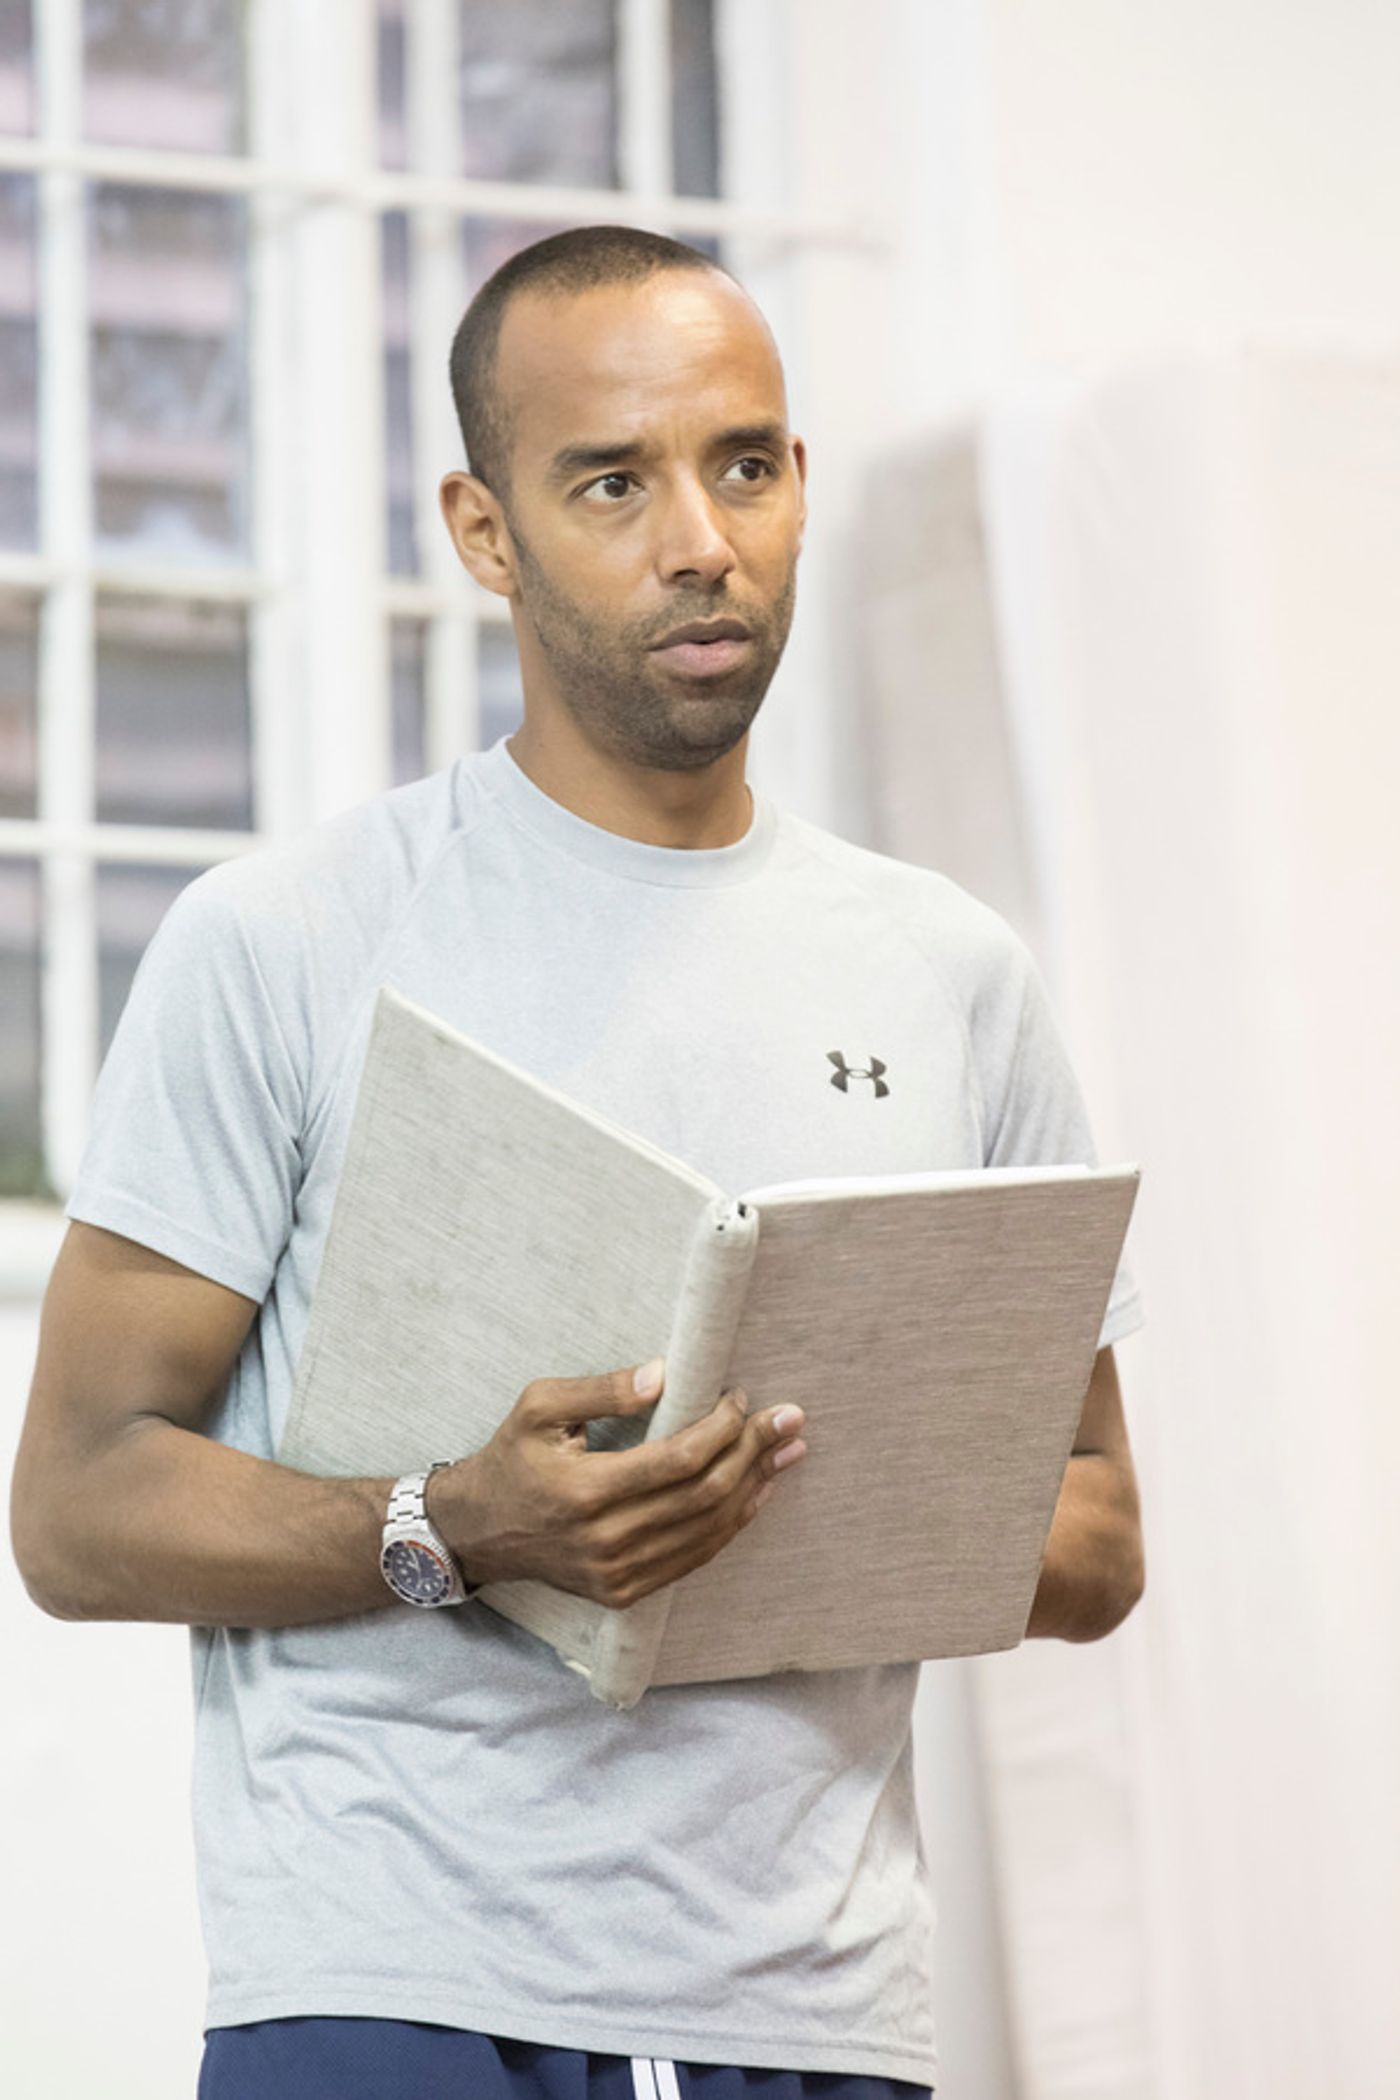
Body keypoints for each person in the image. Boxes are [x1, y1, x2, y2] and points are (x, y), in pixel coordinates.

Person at [9, 225, 1146, 2100]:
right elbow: (73, 1510)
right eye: (612, 480)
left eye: (748, 463)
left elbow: (1098, 1532)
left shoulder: (953, 978)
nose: (702, 536)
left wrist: (789, 1513)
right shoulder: (287, 938)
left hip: (812, 2019)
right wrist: (455, 1526)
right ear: (484, 532)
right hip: (387, 1991)